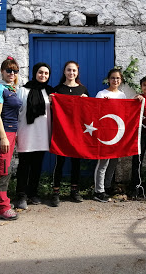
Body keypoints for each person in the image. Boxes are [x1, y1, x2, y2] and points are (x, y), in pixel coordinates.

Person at [14, 62, 54, 210]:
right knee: (24, 166)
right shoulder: (23, 91)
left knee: (37, 165)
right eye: (40, 72)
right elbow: (15, 113)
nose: (43, 75)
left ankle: (33, 193)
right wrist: (15, 133)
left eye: (46, 73)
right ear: (35, 73)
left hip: (42, 134)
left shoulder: (50, 92)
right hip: (26, 133)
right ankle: (21, 196)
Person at [0, 56, 22, 221]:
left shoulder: (12, 89)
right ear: (2, 71)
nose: (12, 73)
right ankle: (3, 207)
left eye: (15, 71)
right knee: (4, 171)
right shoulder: (0, 90)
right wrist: (3, 137)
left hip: (11, 133)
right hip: (4, 134)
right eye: (8, 70)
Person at [51, 61, 89, 207]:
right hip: (61, 132)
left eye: (73, 70)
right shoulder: (58, 90)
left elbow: (88, 112)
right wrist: (52, 100)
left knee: (76, 162)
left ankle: (74, 191)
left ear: (77, 72)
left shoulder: (83, 90)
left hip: (78, 132)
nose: (71, 73)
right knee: (59, 162)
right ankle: (55, 193)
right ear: (64, 72)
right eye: (68, 70)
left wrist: (86, 101)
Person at [93, 68, 127, 202]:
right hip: (105, 134)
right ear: (108, 80)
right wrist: (103, 104)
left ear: (121, 80)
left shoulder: (122, 95)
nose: (115, 80)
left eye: (118, 78)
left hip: (117, 133)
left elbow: (125, 113)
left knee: (113, 162)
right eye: (113, 78)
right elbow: (94, 111)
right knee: (103, 162)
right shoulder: (101, 94)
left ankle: (107, 187)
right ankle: (98, 191)